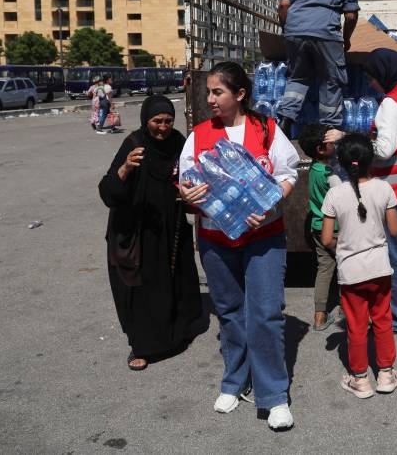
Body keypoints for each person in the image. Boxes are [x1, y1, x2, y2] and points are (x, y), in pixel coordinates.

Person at [178, 61, 300, 431]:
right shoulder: (199, 135)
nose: (210, 99)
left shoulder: (266, 129)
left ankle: (274, 395)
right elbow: (184, 182)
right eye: (209, 92)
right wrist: (187, 195)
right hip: (215, 241)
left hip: (264, 239)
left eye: (218, 92)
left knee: (265, 314)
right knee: (230, 313)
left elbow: (288, 173)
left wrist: (271, 204)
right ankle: (235, 379)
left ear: (240, 94)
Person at [98, 95, 202, 371]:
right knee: (141, 288)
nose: (163, 127)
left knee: (174, 279)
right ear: (146, 120)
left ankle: (176, 335)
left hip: (171, 227)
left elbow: (190, 175)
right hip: (138, 231)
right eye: (157, 121)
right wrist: (124, 169)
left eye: (168, 121)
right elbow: (107, 192)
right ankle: (142, 346)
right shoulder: (134, 144)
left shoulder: (178, 142)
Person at [325, 48, 397, 333]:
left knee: (393, 255)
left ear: (384, 74)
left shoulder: (392, 103)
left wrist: (347, 138)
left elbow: (384, 149)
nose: (370, 83)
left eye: (372, 77)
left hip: (394, 190)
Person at [320, 133, 397, 398]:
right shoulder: (384, 188)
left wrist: (344, 245)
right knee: (383, 320)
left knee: (356, 325)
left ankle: (360, 379)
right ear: (371, 160)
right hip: (380, 269)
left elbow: (326, 239)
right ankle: (386, 374)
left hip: (351, 272)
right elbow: (395, 230)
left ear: (342, 163)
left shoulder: (334, 194)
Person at [275, 0, 359, 134]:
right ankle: (328, 128)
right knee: (331, 80)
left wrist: (287, 29)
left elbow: (284, 5)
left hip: (295, 32)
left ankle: (286, 121)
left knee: (298, 77)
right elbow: (350, 16)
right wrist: (346, 39)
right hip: (326, 33)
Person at [298, 122, 343, 331]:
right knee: (345, 266)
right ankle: (346, 309)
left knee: (324, 269)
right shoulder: (329, 175)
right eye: (331, 142)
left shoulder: (314, 169)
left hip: (317, 226)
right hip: (335, 228)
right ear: (321, 149)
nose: (335, 144)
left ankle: (319, 317)